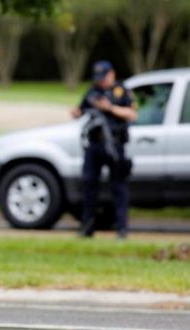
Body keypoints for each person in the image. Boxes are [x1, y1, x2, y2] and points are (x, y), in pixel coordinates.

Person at [71, 60, 138, 239]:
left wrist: (110, 108)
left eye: (103, 77)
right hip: (94, 145)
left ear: (112, 74)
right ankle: (87, 228)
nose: (100, 81)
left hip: (115, 145)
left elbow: (132, 114)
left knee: (119, 187)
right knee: (89, 185)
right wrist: (76, 112)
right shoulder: (93, 91)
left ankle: (122, 230)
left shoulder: (122, 91)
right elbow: (81, 109)